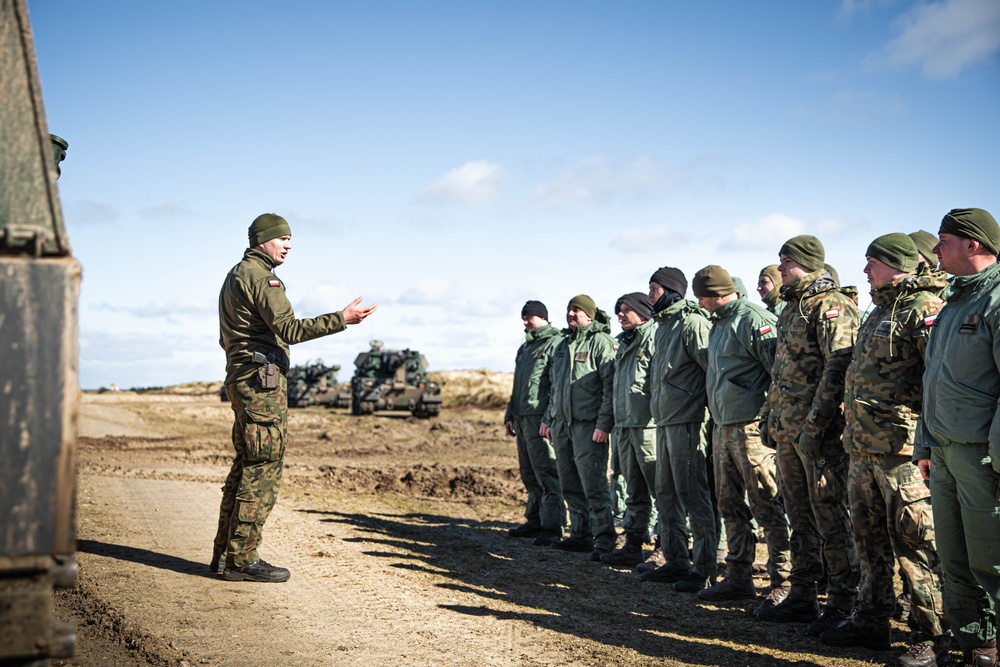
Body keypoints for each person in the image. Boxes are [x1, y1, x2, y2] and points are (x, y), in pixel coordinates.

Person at [214, 213, 377, 583]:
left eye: (291, 239)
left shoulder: (235, 275)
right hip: (261, 384)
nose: (288, 244)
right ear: (262, 240)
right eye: (282, 238)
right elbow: (288, 328)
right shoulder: (262, 277)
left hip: (243, 379)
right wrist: (342, 318)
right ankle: (242, 560)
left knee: (245, 466)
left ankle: (225, 555)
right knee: (262, 471)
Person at [818, 234, 949, 665]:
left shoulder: (924, 308)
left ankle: (931, 634)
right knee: (868, 541)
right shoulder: (879, 309)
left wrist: (929, 443)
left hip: (902, 450)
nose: (865, 270)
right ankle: (870, 620)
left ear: (897, 264)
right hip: (862, 447)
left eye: (872, 262)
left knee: (914, 544)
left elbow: (937, 382)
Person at [758, 235, 861, 636]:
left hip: (818, 436)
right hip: (788, 432)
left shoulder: (831, 306)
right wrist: (770, 416)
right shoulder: (791, 308)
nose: (780, 268)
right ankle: (803, 595)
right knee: (799, 516)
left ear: (808, 263)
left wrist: (815, 428)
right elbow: (781, 372)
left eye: (786, 261)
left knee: (830, 518)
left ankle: (841, 603)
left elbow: (839, 370)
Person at [916, 208, 1000, 667]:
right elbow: (934, 380)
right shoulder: (953, 303)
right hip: (945, 453)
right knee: (955, 558)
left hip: (982, 458)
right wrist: (924, 446)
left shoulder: (996, 300)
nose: (935, 250)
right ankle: (978, 648)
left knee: (993, 560)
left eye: (943, 239)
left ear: (973, 244)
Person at [692, 266, 792, 607]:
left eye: (702, 296)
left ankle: (784, 581)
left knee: (767, 504)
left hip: (752, 429)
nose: (699, 303)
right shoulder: (718, 323)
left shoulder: (755, 320)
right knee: (729, 504)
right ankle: (738, 577)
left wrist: (769, 421)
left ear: (719, 294)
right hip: (722, 427)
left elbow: (778, 374)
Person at [640, 267, 717, 593]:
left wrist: (706, 417)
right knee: (667, 494)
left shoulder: (692, 322)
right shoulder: (663, 327)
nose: (649, 295)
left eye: (654, 289)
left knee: (694, 497)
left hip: (689, 423)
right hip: (664, 422)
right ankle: (675, 560)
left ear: (670, 290)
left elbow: (710, 371)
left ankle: (704, 569)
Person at [541, 295, 618, 562]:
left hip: (589, 427)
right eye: (569, 310)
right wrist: (551, 420)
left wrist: (604, 424)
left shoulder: (602, 343)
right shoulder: (562, 345)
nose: (571, 314)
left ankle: (605, 539)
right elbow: (554, 387)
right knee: (570, 483)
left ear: (590, 315)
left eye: (577, 310)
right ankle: (580, 535)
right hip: (563, 426)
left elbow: (610, 387)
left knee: (594, 485)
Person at [600, 293, 657, 566]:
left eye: (625, 310)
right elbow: (613, 389)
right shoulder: (621, 344)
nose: (619, 315)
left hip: (650, 428)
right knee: (633, 490)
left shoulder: (655, 338)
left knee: (660, 491)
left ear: (642, 312)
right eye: (618, 311)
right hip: (624, 427)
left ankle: (665, 548)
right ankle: (633, 544)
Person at [503, 300, 565, 545]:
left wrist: (549, 417)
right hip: (523, 417)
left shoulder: (554, 342)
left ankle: (553, 526)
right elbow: (519, 384)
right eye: (523, 318)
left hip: (541, 418)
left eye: (529, 317)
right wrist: (510, 413)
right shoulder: (525, 347)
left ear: (543, 318)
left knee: (547, 471)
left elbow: (556, 385)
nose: (526, 322)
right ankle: (535, 520)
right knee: (529, 472)